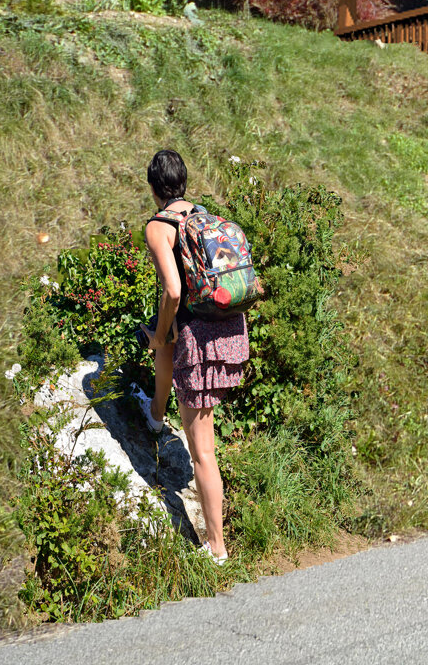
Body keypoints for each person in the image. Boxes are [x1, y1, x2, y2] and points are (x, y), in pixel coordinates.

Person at [140, 149, 255, 563]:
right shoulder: (204, 216)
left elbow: (172, 292)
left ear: (154, 187)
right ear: (184, 182)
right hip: (228, 327)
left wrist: (160, 332)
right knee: (164, 345)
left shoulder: (160, 226)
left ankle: (217, 548)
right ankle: (155, 415)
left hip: (199, 340)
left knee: (203, 451)